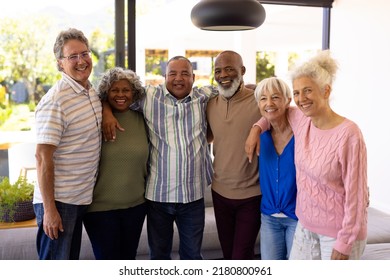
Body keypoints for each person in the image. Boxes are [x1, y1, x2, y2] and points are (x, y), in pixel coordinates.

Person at [246, 50, 368, 260]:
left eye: (308, 91)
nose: (301, 99)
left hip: (337, 232)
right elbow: (272, 112)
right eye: (297, 93)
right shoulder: (302, 120)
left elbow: (356, 195)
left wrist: (345, 241)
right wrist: (255, 129)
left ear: (326, 91)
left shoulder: (349, 134)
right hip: (305, 226)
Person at [102, 56, 218, 260]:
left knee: (192, 256)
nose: (178, 78)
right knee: (159, 257)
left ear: (193, 77)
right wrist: (106, 112)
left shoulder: (204, 95)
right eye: (172, 73)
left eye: (184, 73)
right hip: (158, 198)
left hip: (193, 195)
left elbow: (236, 91)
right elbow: (111, 94)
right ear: (164, 77)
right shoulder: (148, 97)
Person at [33, 28, 102, 260]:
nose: (81, 61)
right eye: (72, 57)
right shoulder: (56, 101)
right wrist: (50, 210)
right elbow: (42, 158)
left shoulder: (89, 91)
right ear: (60, 63)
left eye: (85, 53)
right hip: (59, 201)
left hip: (80, 198)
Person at [83, 67, 149, 260]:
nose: (121, 95)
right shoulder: (96, 118)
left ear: (134, 93)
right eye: (114, 90)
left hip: (136, 206)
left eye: (126, 90)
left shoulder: (143, 119)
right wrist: (105, 109)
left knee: (128, 261)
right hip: (100, 209)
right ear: (106, 93)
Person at [206, 50, 261, 259]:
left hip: (251, 195)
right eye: (218, 70)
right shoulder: (210, 104)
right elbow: (208, 137)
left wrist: (258, 126)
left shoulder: (258, 100)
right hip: (219, 192)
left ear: (242, 71)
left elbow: (284, 111)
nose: (223, 75)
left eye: (229, 69)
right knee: (228, 254)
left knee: (241, 256)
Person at [253, 77, 297, 260]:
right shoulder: (259, 136)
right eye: (263, 98)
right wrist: (255, 128)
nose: (269, 103)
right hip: (269, 216)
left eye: (275, 97)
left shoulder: (302, 134)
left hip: (298, 217)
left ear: (288, 100)